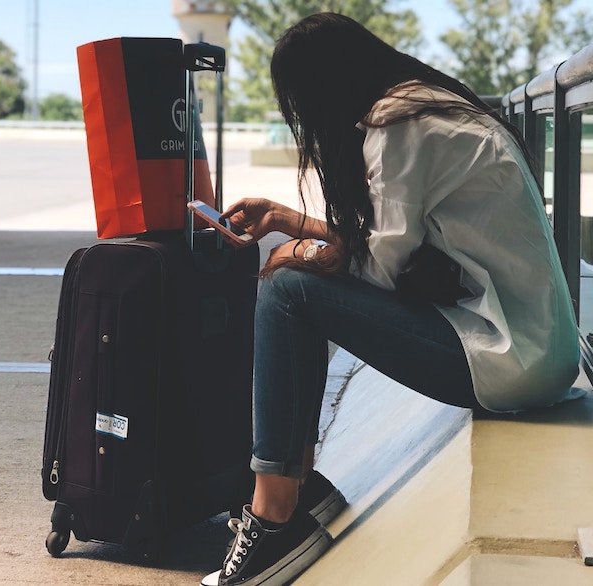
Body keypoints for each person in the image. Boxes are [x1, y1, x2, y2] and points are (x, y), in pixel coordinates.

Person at [200, 12, 581, 586]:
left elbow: (376, 266)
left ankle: (275, 514)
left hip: (508, 360)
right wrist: (287, 220)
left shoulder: (400, 128)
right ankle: (297, 487)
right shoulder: (428, 108)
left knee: (285, 292)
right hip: (534, 348)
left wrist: (292, 253)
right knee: (294, 285)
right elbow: (386, 239)